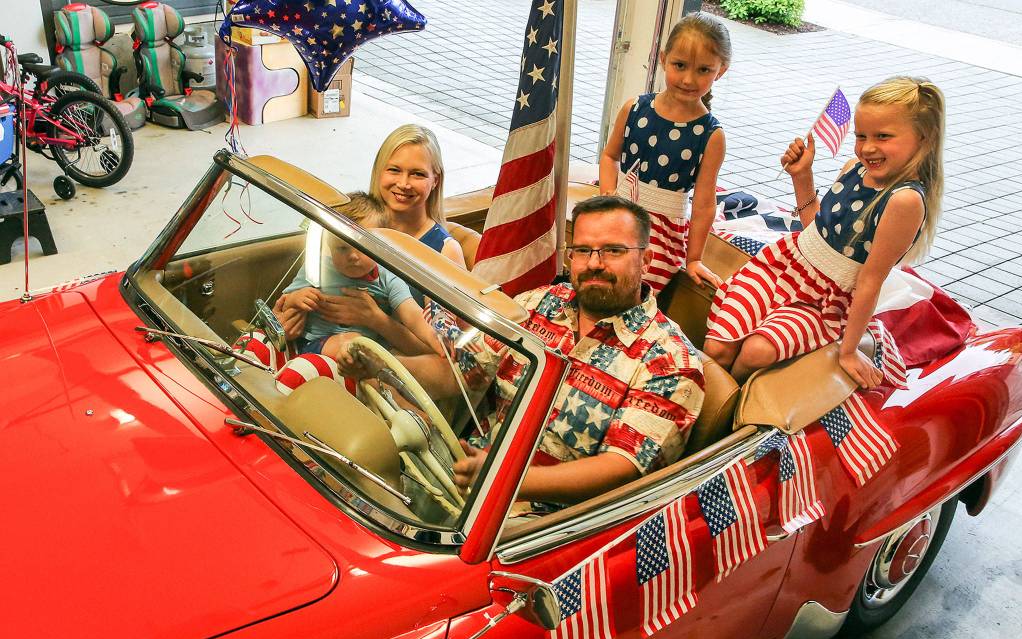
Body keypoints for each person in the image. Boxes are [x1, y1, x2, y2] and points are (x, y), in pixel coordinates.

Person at [344, 195, 705, 512]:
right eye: (583, 251)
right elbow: (462, 373)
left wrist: (502, 477)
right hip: (460, 476)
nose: (594, 263)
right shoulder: (536, 305)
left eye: (613, 251)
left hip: (545, 524)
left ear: (646, 259)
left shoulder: (670, 361)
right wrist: (381, 365)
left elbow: (621, 468)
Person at [704, 77, 945, 387]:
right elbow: (816, 227)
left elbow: (871, 280)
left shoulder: (905, 200)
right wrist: (802, 174)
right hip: (783, 266)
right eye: (861, 135)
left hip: (824, 302)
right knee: (717, 346)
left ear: (925, 138)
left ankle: (723, 407)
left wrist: (848, 352)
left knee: (756, 352)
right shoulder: (853, 168)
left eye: (883, 136)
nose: (867, 148)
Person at [598, 12, 731, 294]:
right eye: (679, 65)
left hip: (662, 234)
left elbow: (705, 202)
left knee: (629, 283)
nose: (688, 79)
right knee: (594, 269)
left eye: (703, 70)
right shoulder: (634, 108)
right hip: (618, 211)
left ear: (721, 70)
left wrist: (694, 259)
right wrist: (608, 195)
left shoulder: (711, 135)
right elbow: (609, 157)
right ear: (662, 58)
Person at [277, 192, 440, 359]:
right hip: (311, 343)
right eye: (341, 248)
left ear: (381, 246)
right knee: (355, 343)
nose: (353, 256)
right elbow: (283, 302)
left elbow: (413, 314)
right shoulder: (318, 267)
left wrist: (436, 339)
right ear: (329, 244)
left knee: (358, 344)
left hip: (356, 352)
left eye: (362, 248)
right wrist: (297, 298)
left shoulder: (389, 278)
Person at [369, 124, 466, 272]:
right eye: (394, 170)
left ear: (435, 180)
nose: (403, 184)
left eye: (418, 174)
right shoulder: (357, 224)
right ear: (378, 171)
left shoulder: (447, 251)